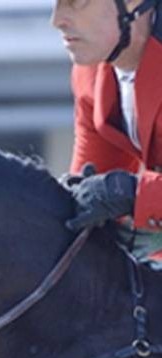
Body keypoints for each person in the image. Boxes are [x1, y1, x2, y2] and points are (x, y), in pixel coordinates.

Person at [52, 0, 162, 257]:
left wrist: (131, 193)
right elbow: (89, 189)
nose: (57, 21)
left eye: (76, 3)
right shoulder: (88, 73)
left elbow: (120, 192)